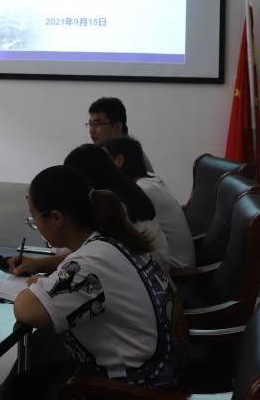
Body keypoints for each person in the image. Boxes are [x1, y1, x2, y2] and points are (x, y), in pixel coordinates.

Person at [0, 166, 175, 400]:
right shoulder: (112, 241)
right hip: (160, 374)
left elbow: (26, 311)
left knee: (43, 353)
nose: (36, 225)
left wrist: (37, 286)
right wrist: (46, 277)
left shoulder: (89, 264)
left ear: (56, 218)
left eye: (34, 218)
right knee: (46, 345)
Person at [63, 143, 171, 272]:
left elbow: (89, 255)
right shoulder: (128, 190)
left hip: (144, 274)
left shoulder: (110, 204)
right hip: (156, 272)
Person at [103, 135, 196, 269]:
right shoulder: (151, 180)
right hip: (176, 262)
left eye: (103, 159)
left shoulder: (141, 190)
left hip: (177, 271)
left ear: (119, 160)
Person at [86, 96, 154, 172]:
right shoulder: (106, 154)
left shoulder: (132, 157)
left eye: (97, 124)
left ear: (117, 127)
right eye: (90, 124)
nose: (91, 131)